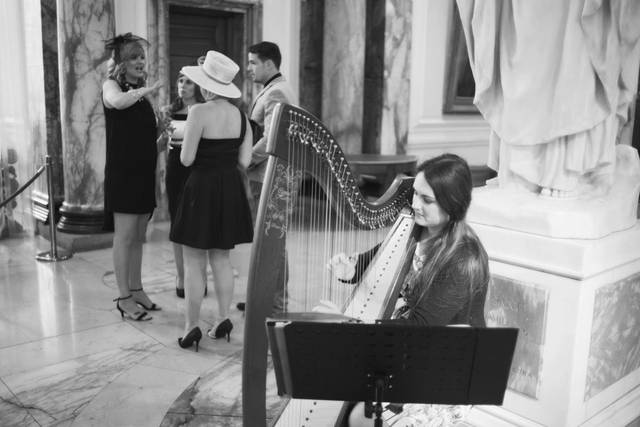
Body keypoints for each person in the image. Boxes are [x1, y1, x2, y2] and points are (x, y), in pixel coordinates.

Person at [318, 153, 490, 426]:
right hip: (409, 351)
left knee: (358, 416)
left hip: (445, 367)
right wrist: (350, 270)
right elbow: (371, 260)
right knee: (338, 386)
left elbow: (420, 328)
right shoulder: (415, 229)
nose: (414, 204)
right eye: (415, 194)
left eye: (426, 200)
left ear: (453, 205)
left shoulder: (463, 259)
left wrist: (348, 324)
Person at [169, 50, 253, 351]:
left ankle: (191, 326)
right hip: (229, 189)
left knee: (194, 262)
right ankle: (222, 318)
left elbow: (187, 158)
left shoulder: (198, 113)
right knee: (221, 259)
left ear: (206, 85)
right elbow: (244, 160)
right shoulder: (241, 117)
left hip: (201, 187)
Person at [103, 33, 163, 321]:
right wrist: (146, 90)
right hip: (123, 174)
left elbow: (142, 139)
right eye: (134, 57)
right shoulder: (111, 86)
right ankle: (124, 297)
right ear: (121, 63)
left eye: (142, 56)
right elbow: (116, 103)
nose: (140, 61)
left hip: (143, 173)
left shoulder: (141, 95)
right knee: (125, 237)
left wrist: (162, 134)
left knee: (139, 236)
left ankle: (137, 289)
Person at [237, 41, 298, 312]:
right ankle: (263, 298)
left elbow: (273, 137)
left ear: (269, 64)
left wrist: (246, 158)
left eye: (252, 62)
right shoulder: (273, 89)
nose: (248, 68)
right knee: (265, 240)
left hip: (270, 176)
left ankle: (277, 304)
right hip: (265, 175)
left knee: (273, 241)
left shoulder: (277, 93)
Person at [159, 68, 206, 299]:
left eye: (188, 82)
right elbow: (161, 143)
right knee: (177, 225)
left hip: (197, 170)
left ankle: (200, 277)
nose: (183, 85)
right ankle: (181, 276)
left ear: (197, 86)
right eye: (180, 81)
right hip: (175, 171)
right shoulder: (169, 111)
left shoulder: (204, 110)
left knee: (198, 224)